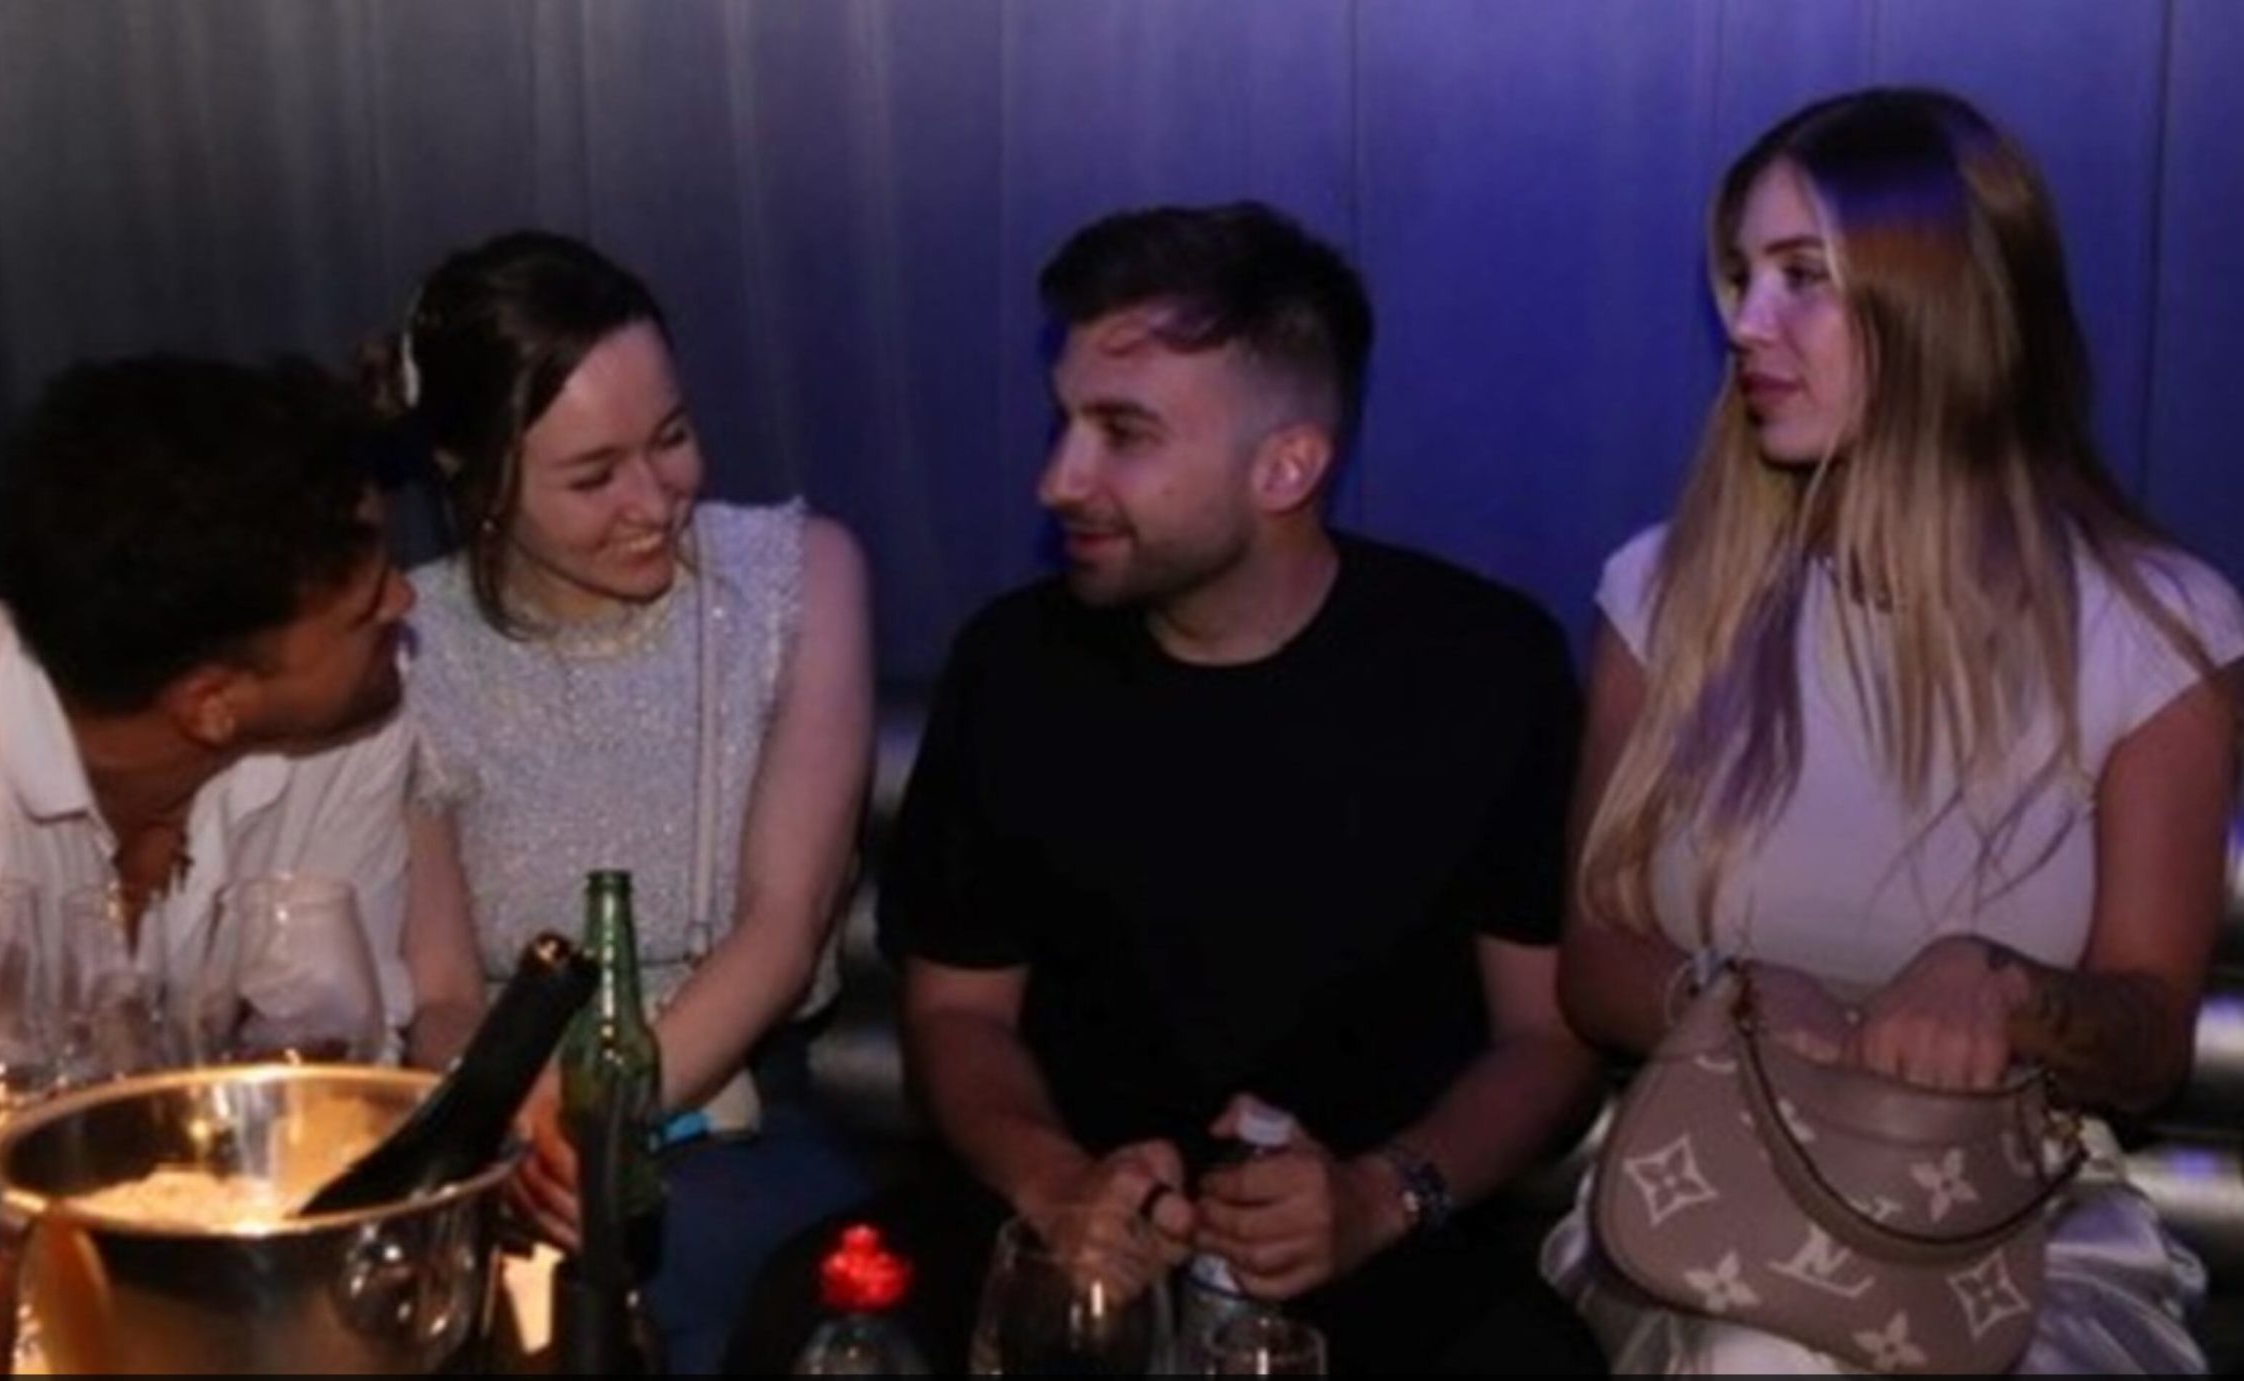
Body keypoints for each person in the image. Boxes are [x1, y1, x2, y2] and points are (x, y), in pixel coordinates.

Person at [1541, 88, 2241, 1374]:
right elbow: (1592, 963)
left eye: (1802, 276)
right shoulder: (1668, 594)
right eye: (1742, 276)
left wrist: (2004, 988)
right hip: (1702, 1191)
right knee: (1753, 1357)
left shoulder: (2156, 628)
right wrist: (1731, 990)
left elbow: (2145, 1043)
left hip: (2019, 1220)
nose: (1745, 324)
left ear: (1948, 304)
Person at [855, 201, 1604, 1374]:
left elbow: (1547, 1035)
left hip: (1382, 1254)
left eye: (1122, 432)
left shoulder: (1482, 668)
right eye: (1063, 422)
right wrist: (1057, 1186)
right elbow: (956, 1013)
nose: (1058, 479)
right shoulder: (1013, 665)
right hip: (1056, 1221)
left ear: (1286, 465)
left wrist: (1378, 1195)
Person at [0, 355, 482, 1320]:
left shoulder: (346, 724)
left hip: (192, 1290)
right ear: (211, 703)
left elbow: (318, 1096)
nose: (405, 603)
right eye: (364, 606)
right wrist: (8, 1295)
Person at [384, 229, 876, 1374]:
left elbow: (783, 922)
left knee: (649, 1283)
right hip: (507, 1125)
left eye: (672, 437)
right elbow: (442, 994)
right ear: (471, 472)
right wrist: (516, 1126)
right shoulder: (406, 639)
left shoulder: (799, 575)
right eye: (593, 475)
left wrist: (597, 1125)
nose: (655, 499)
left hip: (737, 1112)